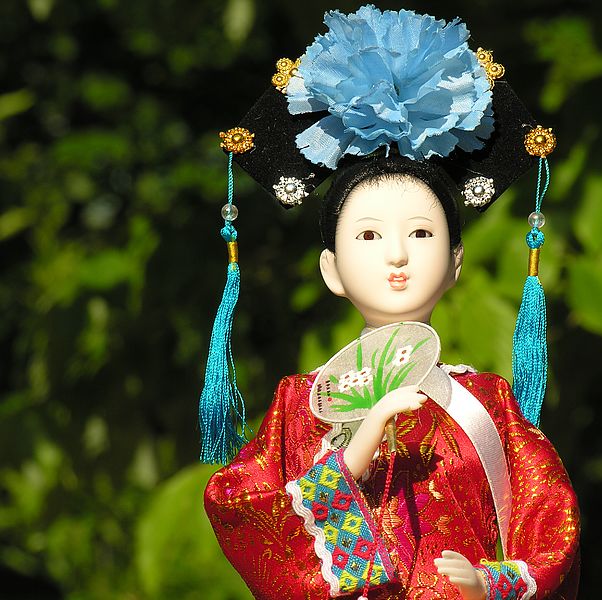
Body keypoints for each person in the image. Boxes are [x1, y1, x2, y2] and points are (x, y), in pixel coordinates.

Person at [200, 7, 579, 599]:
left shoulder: (488, 404)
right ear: (331, 269)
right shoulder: (301, 405)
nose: (397, 255)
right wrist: (351, 457)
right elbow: (238, 505)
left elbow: (549, 524)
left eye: (422, 234)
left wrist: (493, 583)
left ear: (456, 262)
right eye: (368, 235)